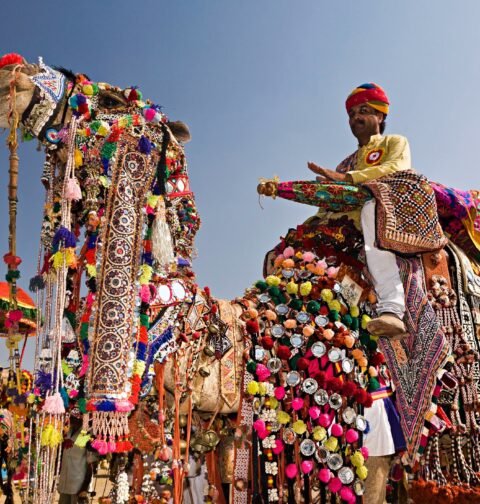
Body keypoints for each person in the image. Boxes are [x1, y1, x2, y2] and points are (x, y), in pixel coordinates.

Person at [308, 83, 412, 338]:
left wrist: (347, 179)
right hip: (346, 226)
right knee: (301, 240)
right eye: (352, 114)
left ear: (380, 115)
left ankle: (392, 307)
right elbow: (330, 204)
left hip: (385, 211)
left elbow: (397, 167)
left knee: (370, 206)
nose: (356, 118)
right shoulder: (346, 162)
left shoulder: (394, 142)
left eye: (363, 111)